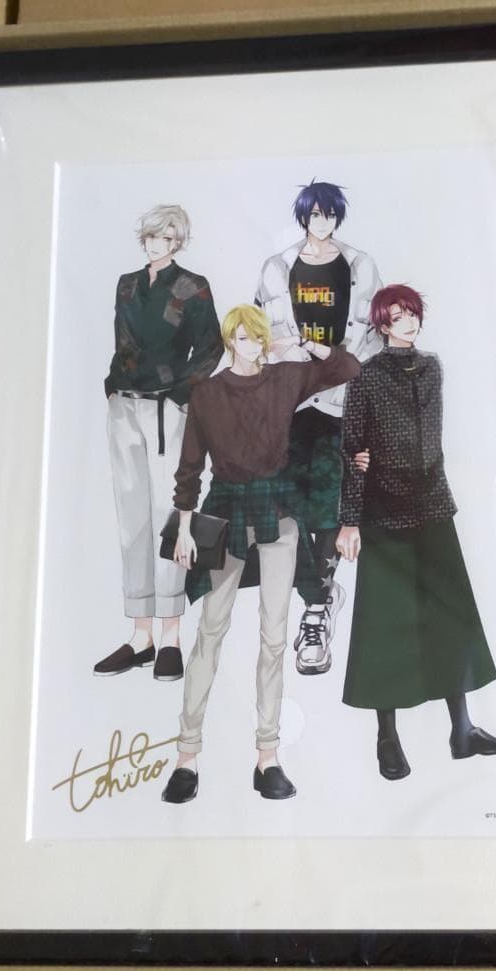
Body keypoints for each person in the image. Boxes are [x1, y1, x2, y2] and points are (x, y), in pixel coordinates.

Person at [160, 304, 361, 804]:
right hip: (225, 511)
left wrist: (304, 344)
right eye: (246, 337)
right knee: (210, 631)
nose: (255, 345)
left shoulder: (284, 377)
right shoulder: (207, 393)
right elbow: (189, 468)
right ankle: (186, 756)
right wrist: (183, 528)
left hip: (279, 512)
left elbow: (348, 367)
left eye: (260, 337)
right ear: (231, 340)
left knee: (274, 637)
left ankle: (267, 756)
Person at [336, 284, 496, 780]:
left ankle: (463, 731)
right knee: (385, 624)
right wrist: (350, 520)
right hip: (383, 512)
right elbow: (352, 450)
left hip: (434, 506)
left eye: (412, 313)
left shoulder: (433, 367)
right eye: (398, 316)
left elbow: (432, 438)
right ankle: (387, 738)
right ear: (382, 324)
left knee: (450, 616)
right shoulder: (366, 376)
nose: (409, 321)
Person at [254, 180, 382, 676]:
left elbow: (370, 340)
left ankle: (316, 609)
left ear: (338, 218)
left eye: (330, 215)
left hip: (339, 401)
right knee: (284, 504)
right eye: (315, 215)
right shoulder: (277, 267)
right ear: (303, 217)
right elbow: (262, 335)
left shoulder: (359, 266)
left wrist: (339, 371)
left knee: (329, 503)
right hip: (288, 401)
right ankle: (319, 594)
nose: (322, 223)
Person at [95, 204, 223, 683]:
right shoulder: (127, 284)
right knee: (131, 519)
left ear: (177, 241)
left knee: (168, 518)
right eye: (151, 235)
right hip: (124, 406)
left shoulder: (192, 286)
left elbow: (210, 347)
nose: (156, 243)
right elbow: (122, 342)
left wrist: (180, 393)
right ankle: (140, 635)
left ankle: (170, 637)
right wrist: (113, 387)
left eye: (166, 236)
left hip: (166, 409)